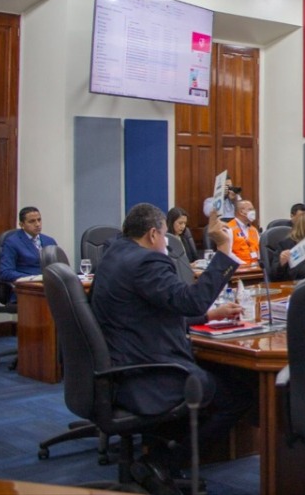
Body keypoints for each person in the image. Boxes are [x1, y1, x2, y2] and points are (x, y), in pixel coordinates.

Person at [90, 206, 252, 484]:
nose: (166, 242)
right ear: (153, 234)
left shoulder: (113, 255)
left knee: (219, 377)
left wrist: (209, 316)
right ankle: (161, 463)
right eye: (165, 235)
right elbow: (192, 301)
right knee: (238, 396)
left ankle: (162, 454)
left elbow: (147, 311)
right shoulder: (147, 262)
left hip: (120, 367)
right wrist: (224, 249)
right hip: (148, 375)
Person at [0, 207, 59, 292]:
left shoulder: (49, 241)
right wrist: (32, 278)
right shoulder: (12, 242)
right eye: (32, 221)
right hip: (26, 289)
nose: (37, 224)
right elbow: (5, 272)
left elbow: (58, 267)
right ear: (21, 225)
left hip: (50, 287)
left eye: (39, 220)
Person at [229, 199, 260, 267]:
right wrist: (244, 264)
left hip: (256, 267)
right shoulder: (229, 228)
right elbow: (227, 252)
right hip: (238, 268)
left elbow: (260, 251)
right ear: (241, 212)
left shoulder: (254, 230)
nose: (253, 212)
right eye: (250, 209)